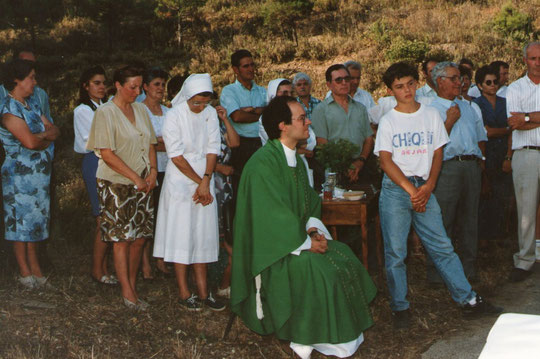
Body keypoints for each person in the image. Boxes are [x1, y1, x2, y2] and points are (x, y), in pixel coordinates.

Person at [231, 95, 377, 359]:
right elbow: (270, 217)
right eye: (301, 118)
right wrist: (307, 242)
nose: (308, 121)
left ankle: (340, 330)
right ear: (282, 126)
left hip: (293, 241)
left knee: (341, 254)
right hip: (270, 254)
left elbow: (308, 202)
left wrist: (313, 231)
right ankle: (306, 333)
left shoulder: (296, 160)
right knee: (316, 267)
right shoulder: (261, 164)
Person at [374, 62, 501, 329]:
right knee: (396, 252)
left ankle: (467, 300)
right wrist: (412, 192)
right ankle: (400, 307)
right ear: (390, 90)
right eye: (399, 87)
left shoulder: (430, 114)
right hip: (398, 190)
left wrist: (429, 186)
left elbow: (438, 152)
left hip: (425, 186)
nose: (406, 90)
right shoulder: (388, 120)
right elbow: (385, 161)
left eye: (410, 84)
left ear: (416, 84)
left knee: (442, 245)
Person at [86, 65, 158, 310]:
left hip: (143, 182)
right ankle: (127, 293)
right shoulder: (106, 113)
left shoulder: (140, 109)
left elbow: (150, 142)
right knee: (122, 239)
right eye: (132, 87)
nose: (137, 92)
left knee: (139, 238)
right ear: (117, 85)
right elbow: (107, 154)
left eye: (139, 86)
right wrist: (134, 178)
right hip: (116, 183)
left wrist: (153, 172)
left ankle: (133, 285)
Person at [153, 74, 225, 312]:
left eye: (205, 102)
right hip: (180, 180)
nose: (201, 106)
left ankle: (205, 292)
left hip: (205, 174)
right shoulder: (173, 115)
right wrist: (199, 182)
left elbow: (213, 148)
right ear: (187, 96)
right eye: (197, 102)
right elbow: (175, 155)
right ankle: (184, 292)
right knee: (181, 234)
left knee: (203, 233)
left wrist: (206, 180)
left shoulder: (210, 114)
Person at [0, 59, 60, 289]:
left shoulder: (31, 104)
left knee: (35, 221)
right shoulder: (8, 109)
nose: (35, 82)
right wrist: (42, 137)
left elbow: (54, 130)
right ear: (17, 80)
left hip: (39, 178)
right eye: (31, 77)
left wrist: (41, 137)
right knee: (19, 221)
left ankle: (36, 269)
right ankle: (24, 272)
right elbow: (30, 142)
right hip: (18, 177)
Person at [427, 61, 487, 283]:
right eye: (453, 78)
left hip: (472, 166)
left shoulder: (469, 107)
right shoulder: (431, 110)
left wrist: (481, 164)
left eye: (460, 78)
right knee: (444, 220)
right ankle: (438, 273)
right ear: (440, 82)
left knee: (470, 219)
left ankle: (469, 270)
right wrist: (449, 122)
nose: (459, 82)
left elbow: (480, 138)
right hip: (447, 167)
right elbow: (432, 144)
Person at [73, 66, 117, 285]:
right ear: (85, 86)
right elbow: (94, 140)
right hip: (95, 162)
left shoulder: (105, 107)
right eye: (96, 83)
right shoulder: (83, 110)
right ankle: (97, 270)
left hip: (109, 162)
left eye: (103, 83)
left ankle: (104, 267)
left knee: (109, 216)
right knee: (102, 218)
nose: (101, 87)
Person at [506, 42, 540, 282]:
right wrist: (525, 119)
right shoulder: (515, 88)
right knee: (526, 209)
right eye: (533, 58)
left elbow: (523, 120)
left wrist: (528, 116)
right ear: (525, 60)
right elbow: (514, 123)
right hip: (526, 153)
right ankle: (525, 260)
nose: (538, 62)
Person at [311, 64, 374, 184]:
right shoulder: (321, 110)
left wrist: (360, 161)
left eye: (347, 79)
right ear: (329, 84)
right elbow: (322, 143)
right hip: (335, 169)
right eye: (338, 80)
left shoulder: (360, 108)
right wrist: (344, 166)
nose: (344, 83)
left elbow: (368, 138)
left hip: (361, 167)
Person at [472, 65, 513, 244]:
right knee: (485, 195)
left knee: (503, 194)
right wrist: (506, 129)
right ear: (480, 85)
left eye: (495, 82)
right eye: (488, 82)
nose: (493, 85)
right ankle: (484, 238)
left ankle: (501, 234)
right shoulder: (476, 105)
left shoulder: (506, 102)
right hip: (486, 153)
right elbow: (485, 133)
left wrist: (508, 155)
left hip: (504, 154)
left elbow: (514, 129)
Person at [140, 67, 171, 280]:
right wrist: (160, 142)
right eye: (156, 84)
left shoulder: (169, 112)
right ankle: (144, 264)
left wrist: (159, 141)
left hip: (168, 169)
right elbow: (146, 142)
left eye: (163, 84)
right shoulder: (139, 111)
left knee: (163, 215)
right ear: (145, 87)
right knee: (146, 215)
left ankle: (160, 259)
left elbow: (175, 141)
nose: (160, 89)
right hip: (147, 169)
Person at [219, 49, 266, 191]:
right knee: (242, 190)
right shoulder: (229, 91)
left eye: (252, 65)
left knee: (261, 188)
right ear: (235, 69)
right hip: (241, 147)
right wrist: (260, 114)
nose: (251, 69)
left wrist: (253, 111)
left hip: (262, 144)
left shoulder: (262, 91)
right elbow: (237, 117)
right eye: (246, 66)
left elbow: (272, 113)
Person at [259, 78, 316, 187]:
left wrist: (299, 145)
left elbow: (311, 143)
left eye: (291, 92)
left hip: (299, 162)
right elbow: (276, 140)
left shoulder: (297, 111)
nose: (289, 96)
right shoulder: (264, 164)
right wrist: (299, 146)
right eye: (284, 92)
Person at [213, 98, 240, 298]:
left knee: (227, 225)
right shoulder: (201, 129)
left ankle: (227, 275)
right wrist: (218, 168)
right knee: (217, 230)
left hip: (225, 183)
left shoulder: (220, 128)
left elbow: (235, 142)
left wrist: (225, 119)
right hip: (210, 180)